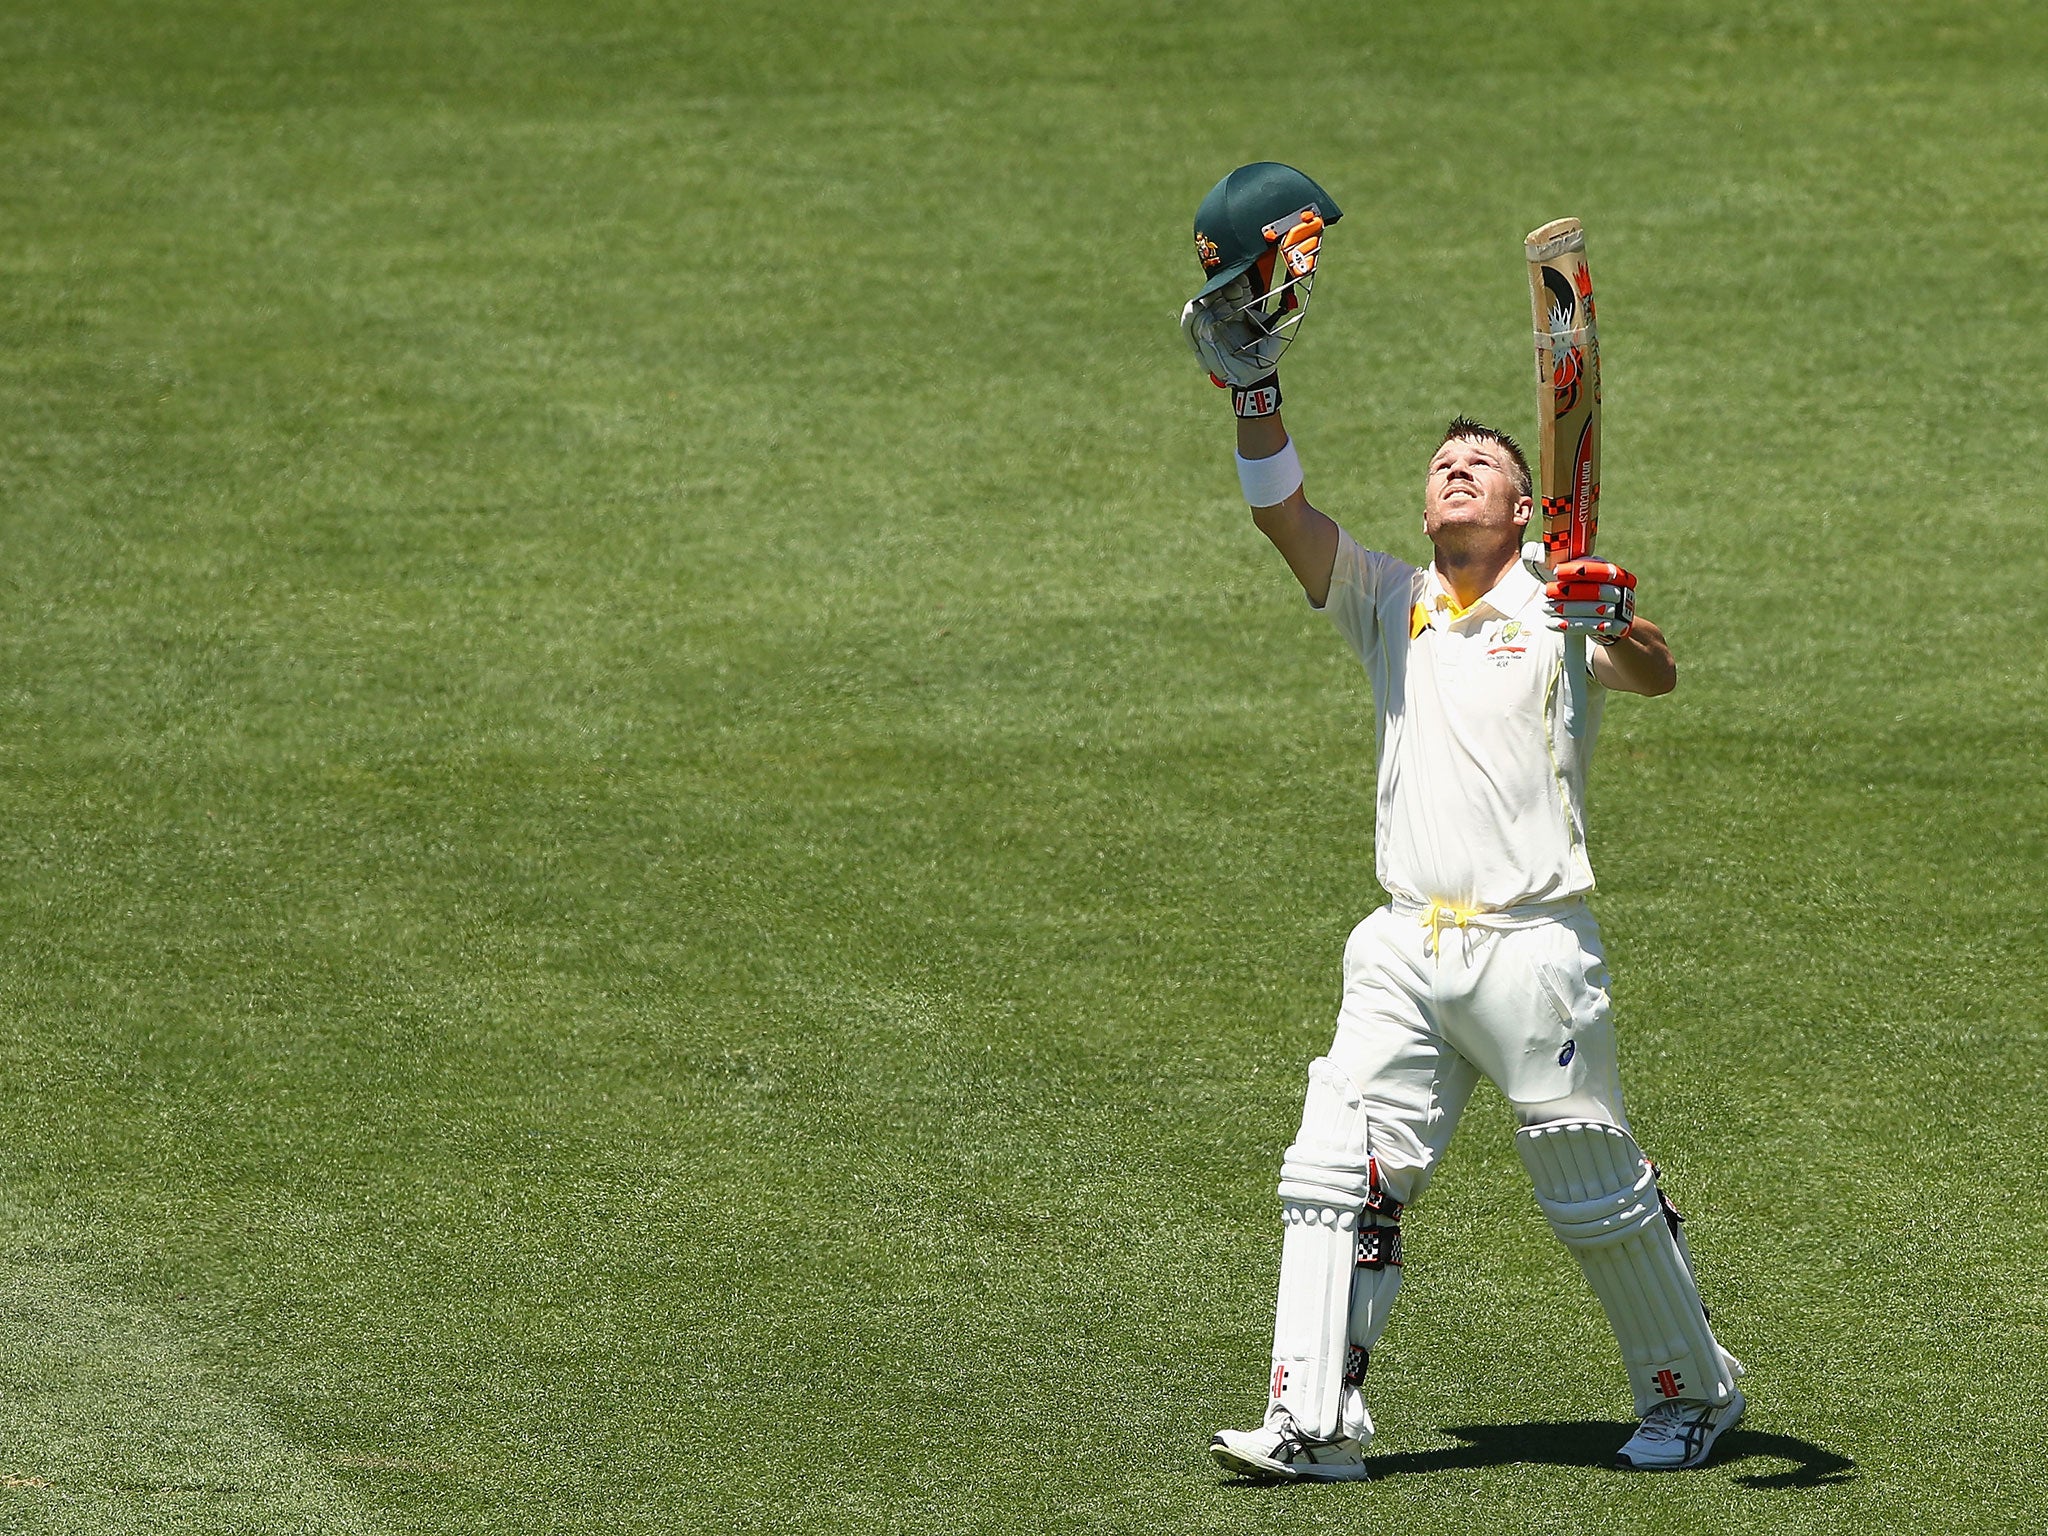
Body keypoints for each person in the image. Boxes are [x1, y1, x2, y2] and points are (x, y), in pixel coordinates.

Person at [1178, 167, 1745, 1482]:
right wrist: (1255, 394)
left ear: (1521, 502)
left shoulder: (1563, 603)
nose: (1453, 473)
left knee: (1589, 1185)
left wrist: (1617, 619)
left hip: (1531, 946)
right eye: (1441, 465)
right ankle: (1314, 1422)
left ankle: (1691, 1392)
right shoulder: (1389, 600)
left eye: (1479, 463)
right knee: (1338, 1173)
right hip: (1397, 945)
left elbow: (1652, 674)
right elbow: (1281, 512)